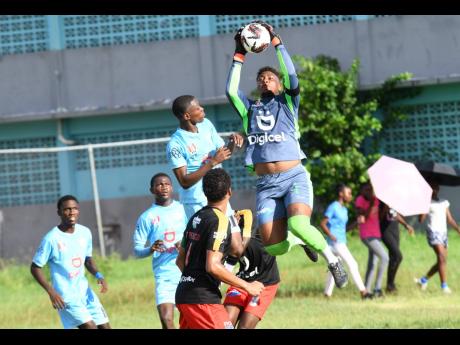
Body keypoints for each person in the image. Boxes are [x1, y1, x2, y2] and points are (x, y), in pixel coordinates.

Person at [225, 20, 347, 287]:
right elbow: (231, 91)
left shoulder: (288, 103)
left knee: (300, 224)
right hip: (267, 186)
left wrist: (277, 42)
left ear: (279, 85)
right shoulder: (250, 110)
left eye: (270, 78)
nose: (265, 80)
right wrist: (240, 52)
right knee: (273, 247)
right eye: (261, 79)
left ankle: (333, 261)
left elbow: (291, 76)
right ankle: (298, 241)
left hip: (293, 177)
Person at [175, 168, 264, 329]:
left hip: (184, 294)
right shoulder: (221, 221)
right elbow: (213, 265)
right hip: (203, 300)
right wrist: (247, 286)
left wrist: (193, 280)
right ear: (229, 191)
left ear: (204, 192)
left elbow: (180, 261)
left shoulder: (195, 217)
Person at [30, 195, 110, 329]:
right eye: (67, 209)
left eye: (74, 209)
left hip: (85, 293)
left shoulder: (85, 232)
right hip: (66, 297)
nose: (71, 212)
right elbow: (35, 268)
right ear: (59, 212)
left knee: (106, 327)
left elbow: (88, 260)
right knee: (90, 327)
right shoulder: (51, 239)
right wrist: (51, 292)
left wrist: (99, 275)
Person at [133, 173, 187, 329]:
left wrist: (184, 244)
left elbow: (197, 236)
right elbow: (137, 250)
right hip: (164, 276)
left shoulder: (183, 209)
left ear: (172, 187)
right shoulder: (147, 217)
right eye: (159, 184)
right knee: (166, 319)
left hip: (186, 272)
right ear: (152, 190)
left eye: (167, 184)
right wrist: (150, 249)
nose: (164, 187)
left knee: (189, 319)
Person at [224, 209, 280, 328]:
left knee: (244, 327)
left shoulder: (260, 238)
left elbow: (287, 231)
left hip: (264, 284)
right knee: (225, 324)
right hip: (242, 281)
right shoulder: (224, 238)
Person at [320, 184, 372, 299]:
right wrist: (330, 235)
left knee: (334, 267)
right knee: (353, 264)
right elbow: (322, 223)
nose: (350, 196)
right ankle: (363, 292)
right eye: (348, 193)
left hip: (340, 241)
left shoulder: (344, 209)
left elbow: (345, 229)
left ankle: (327, 294)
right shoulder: (333, 206)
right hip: (335, 243)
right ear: (341, 194)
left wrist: (357, 222)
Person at [415, 181, 460, 294]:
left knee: (442, 260)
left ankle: (423, 280)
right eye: (431, 187)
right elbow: (420, 220)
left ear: (438, 188)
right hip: (433, 232)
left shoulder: (444, 202)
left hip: (443, 233)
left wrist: (458, 229)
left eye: (435, 187)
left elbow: (449, 219)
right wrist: (423, 206)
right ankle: (444, 286)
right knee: (441, 257)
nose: (434, 189)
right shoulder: (427, 203)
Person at [355, 183, 389, 298]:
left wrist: (385, 207)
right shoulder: (360, 200)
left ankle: (367, 291)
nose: (369, 192)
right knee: (385, 257)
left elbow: (379, 217)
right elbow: (363, 216)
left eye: (371, 189)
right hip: (367, 235)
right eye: (366, 189)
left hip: (376, 234)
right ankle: (377, 289)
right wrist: (371, 203)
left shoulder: (375, 200)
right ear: (362, 190)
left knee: (373, 263)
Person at [379, 201, 415, 293]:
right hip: (385, 231)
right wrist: (385, 208)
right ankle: (390, 284)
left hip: (395, 230)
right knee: (398, 256)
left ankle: (390, 285)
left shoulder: (393, 201)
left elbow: (396, 214)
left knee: (393, 258)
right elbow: (379, 218)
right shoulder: (380, 202)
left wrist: (406, 225)